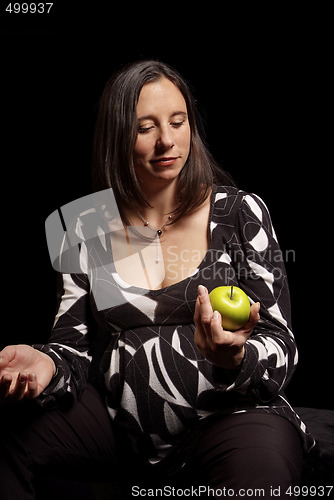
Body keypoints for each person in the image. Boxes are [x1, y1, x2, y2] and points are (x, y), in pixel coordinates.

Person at [0, 60, 314, 499]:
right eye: (145, 127)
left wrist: (234, 358)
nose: (167, 140)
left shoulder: (240, 212)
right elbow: (72, 347)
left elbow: (281, 343)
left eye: (178, 122)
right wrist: (47, 364)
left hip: (232, 415)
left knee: (260, 472)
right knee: (11, 434)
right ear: (116, 137)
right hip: (118, 427)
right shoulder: (82, 226)